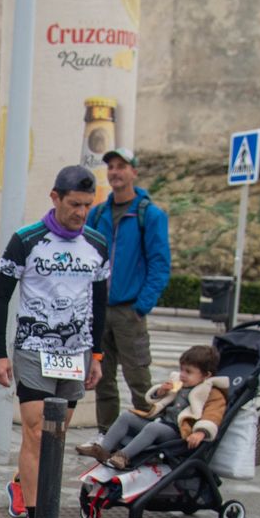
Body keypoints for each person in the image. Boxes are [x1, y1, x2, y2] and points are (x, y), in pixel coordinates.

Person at [0, 165, 109, 518]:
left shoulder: (97, 244)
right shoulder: (26, 240)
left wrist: (97, 355)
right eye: (74, 204)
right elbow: (1, 296)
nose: (81, 212)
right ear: (55, 198)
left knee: (56, 439)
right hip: (34, 349)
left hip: (75, 353)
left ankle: (22, 483)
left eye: (87, 206)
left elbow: (101, 302)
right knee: (38, 433)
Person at [88, 148, 172, 431]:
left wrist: (142, 305)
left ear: (133, 172)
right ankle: (107, 436)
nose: (114, 172)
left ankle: (148, 435)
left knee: (139, 379)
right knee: (103, 377)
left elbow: (160, 265)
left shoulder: (149, 214)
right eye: (110, 166)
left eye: (121, 166)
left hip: (129, 309)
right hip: (99, 309)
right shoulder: (98, 213)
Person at [76, 344, 229, 470]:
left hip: (179, 432)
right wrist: (161, 391)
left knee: (152, 429)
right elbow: (153, 400)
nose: (182, 374)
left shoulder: (212, 392)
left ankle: (123, 456)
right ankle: (103, 449)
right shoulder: (180, 383)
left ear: (206, 375)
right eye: (181, 369)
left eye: (188, 372)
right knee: (126, 417)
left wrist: (201, 432)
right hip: (161, 421)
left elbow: (213, 415)